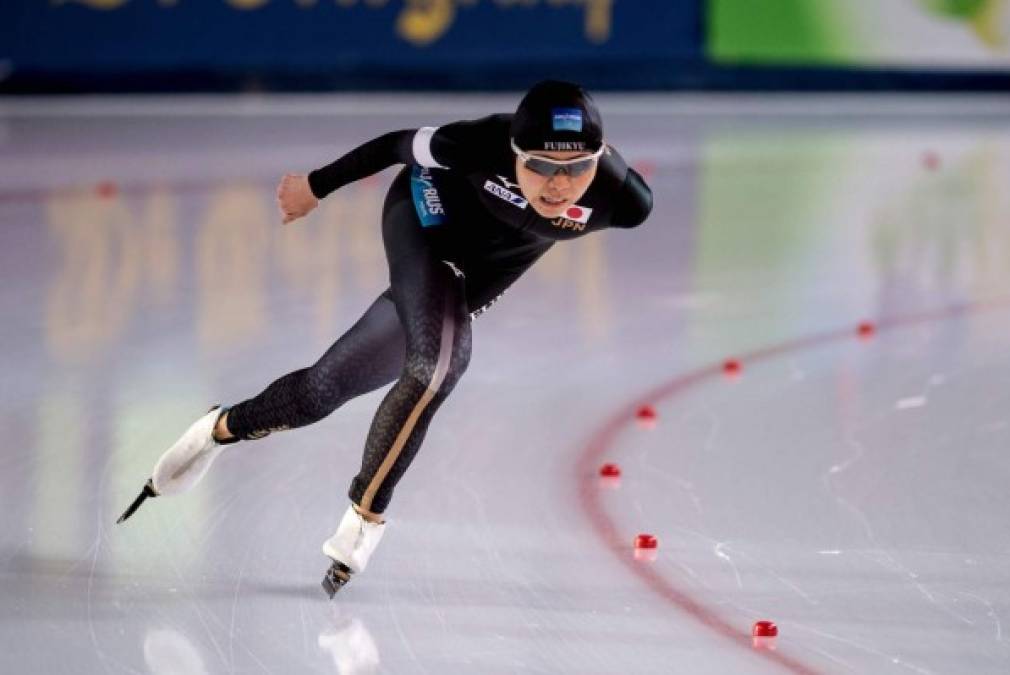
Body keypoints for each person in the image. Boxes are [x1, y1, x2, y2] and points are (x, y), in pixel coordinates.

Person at [117, 80, 653, 597]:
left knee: (318, 394)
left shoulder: (624, 200)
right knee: (439, 364)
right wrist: (314, 187)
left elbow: (587, 185)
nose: (559, 185)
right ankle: (364, 517)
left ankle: (220, 427)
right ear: (514, 152)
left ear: (599, 158)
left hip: (483, 270)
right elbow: (398, 145)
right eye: (540, 166)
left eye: (577, 168)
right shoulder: (477, 142)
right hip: (425, 218)